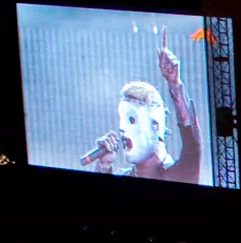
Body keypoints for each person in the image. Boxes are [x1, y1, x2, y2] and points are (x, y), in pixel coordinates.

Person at [79, 44, 206, 184]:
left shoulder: (178, 174)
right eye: (122, 119)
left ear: (156, 126)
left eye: (131, 119)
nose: (122, 129)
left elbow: (193, 143)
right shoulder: (124, 175)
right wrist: (104, 167)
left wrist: (175, 85)